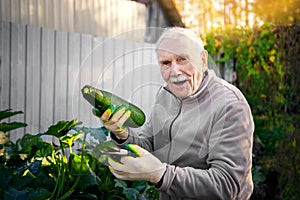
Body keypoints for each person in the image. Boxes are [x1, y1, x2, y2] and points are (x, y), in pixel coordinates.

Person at [95, 27, 254, 200]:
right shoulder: (165, 94)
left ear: (202, 59)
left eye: (182, 59)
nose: (175, 71)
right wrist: (122, 134)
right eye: (166, 63)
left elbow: (227, 185)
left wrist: (161, 174)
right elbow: (149, 142)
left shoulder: (230, 105)